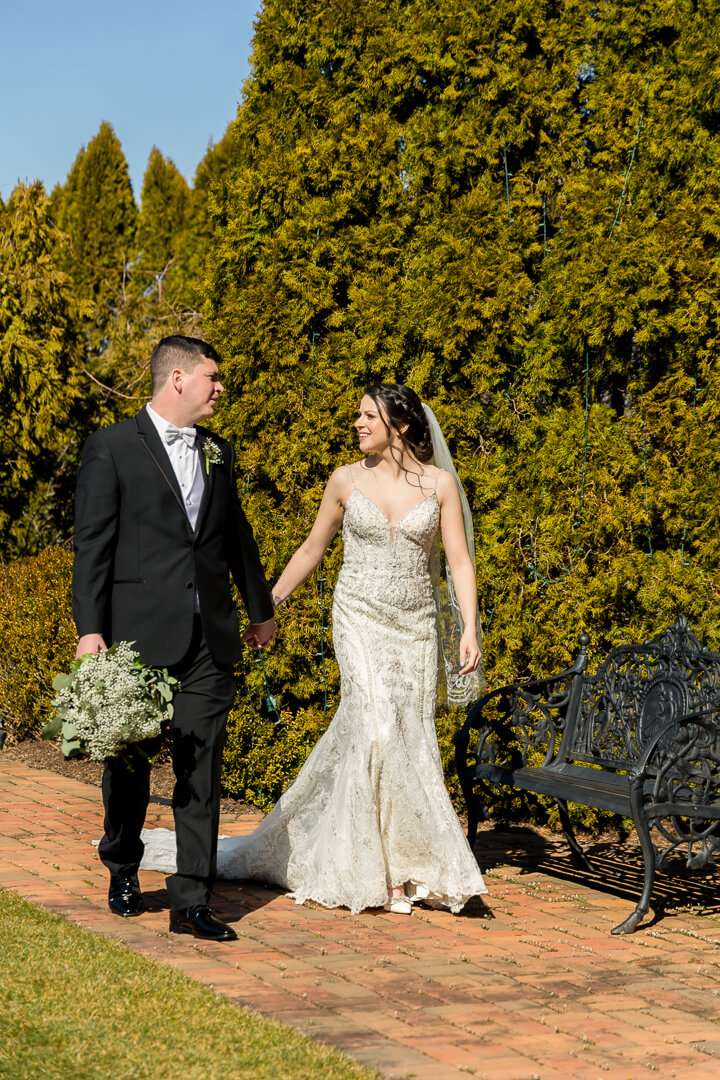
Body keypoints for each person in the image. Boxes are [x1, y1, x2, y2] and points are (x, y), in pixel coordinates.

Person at [141, 383, 487, 915]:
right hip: (359, 618)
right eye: (358, 415)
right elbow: (312, 547)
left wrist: (468, 625)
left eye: (369, 415)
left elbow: (459, 562)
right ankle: (373, 871)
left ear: (401, 425)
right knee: (375, 724)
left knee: (408, 735)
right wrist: (268, 605)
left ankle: (402, 865)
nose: (358, 423)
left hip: (417, 627)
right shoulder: (345, 480)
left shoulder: (439, 484)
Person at [73, 335, 276, 942]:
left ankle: (192, 901)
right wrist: (91, 631)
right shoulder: (111, 448)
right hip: (136, 638)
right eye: (212, 377)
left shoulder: (220, 452)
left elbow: (234, 537)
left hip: (208, 638)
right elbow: (92, 550)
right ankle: (123, 865)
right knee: (129, 766)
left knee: (200, 766)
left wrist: (259, 610)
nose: (220, 388)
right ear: (178, 379)